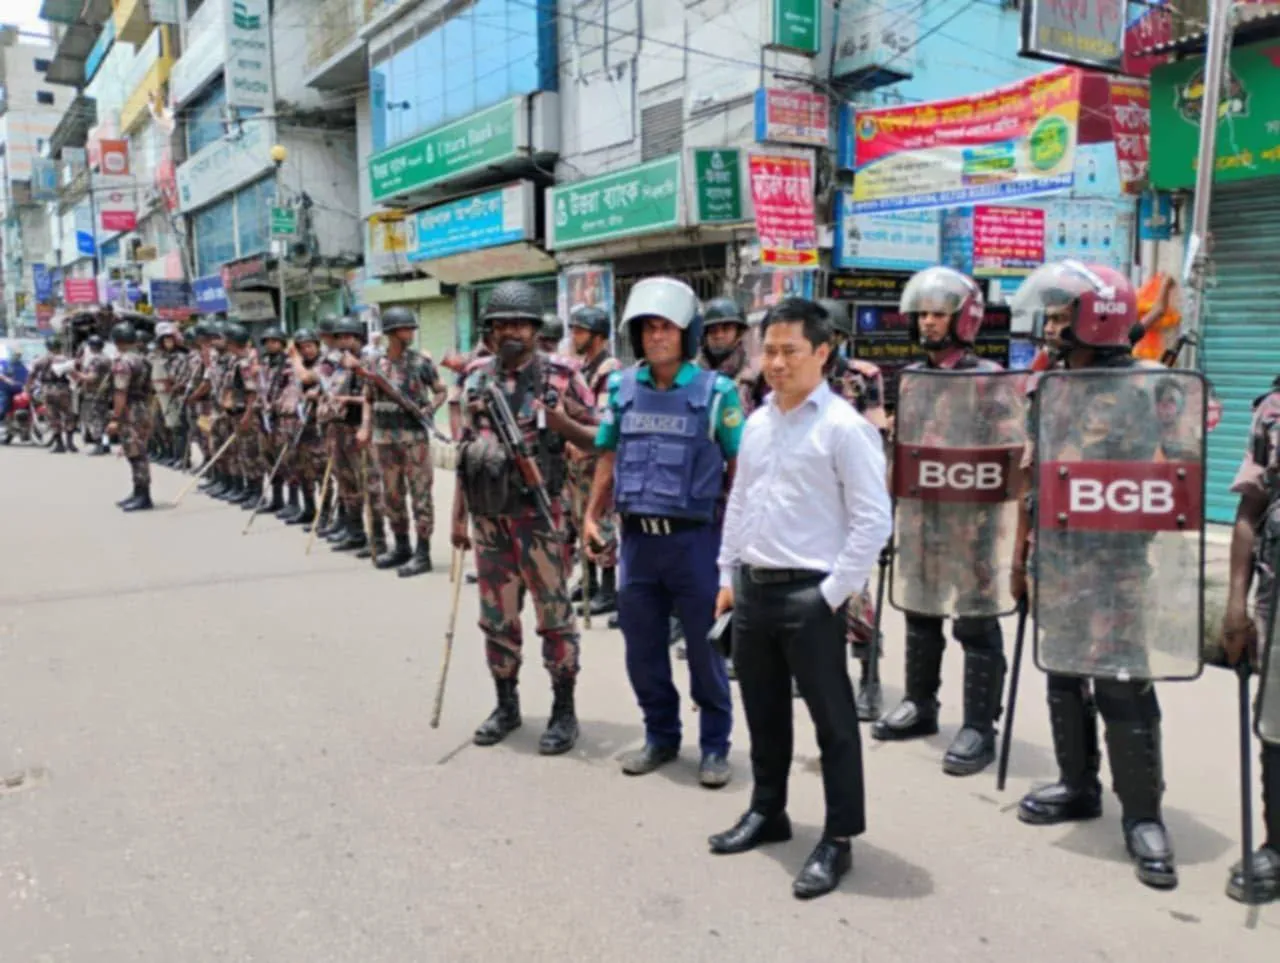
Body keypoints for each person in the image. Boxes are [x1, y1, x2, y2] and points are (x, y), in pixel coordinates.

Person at [709, 297, 892, 900]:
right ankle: (769, 812)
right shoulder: (759, 421)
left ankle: (838, 838)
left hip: (811, 596)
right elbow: (740, 501)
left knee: (833, 723)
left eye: (790, 350)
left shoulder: (845, 428)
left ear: (822, 351)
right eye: (770, 350)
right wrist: (727, 576)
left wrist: (832, 594)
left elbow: (873, 522)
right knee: (762, 713)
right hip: (755, 592)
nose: (776, 363)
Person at [1010, 260, 1181, 890]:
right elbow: (1031, 480)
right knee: (1062, 671)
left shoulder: (1155, 384)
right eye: (1051, 316)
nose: (1050, 328)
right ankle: (1077, 785)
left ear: (1096, 319)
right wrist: (1018, 557)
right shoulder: (1043, 387)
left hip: (1119, 565)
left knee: (1122, 681)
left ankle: (1143, 816)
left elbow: (1186, 458)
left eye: (1060, 316)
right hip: (1057, 558)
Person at [584, 278, 744, 786]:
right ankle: (661, 737)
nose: (656, 337)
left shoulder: (716, 393)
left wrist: (736, 546)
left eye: (666, 328)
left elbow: (741, 468)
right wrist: (591, 514)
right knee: (642, 651)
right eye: (647, 328)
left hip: (696, 543)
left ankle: (715, 746)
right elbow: (608, 455)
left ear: (686, 333)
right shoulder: (621, 389)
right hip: (638, 543)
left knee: (705, 651)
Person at [871, 267, 1018, 777]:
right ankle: (920, 703)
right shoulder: (912, 377)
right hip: (922, 518)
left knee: (976, 623)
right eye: (924, 314)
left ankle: (980, 725)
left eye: (938, 314)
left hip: (972, 523)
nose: (929, 323)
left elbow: (1009, 454)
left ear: (964, 319)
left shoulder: (990, 379)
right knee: (919, 610)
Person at [452, 280, 597, 755]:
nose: (511, 332)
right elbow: (466, 453)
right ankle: (506, 704)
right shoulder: (474, 376)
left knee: (554, 617)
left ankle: (563, 708)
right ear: (489, 331)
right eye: (502, 324)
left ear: (536, 329)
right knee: (497, 618)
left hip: (541, 516)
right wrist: (458, 517)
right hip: (489, 518)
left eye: (521, 324)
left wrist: (562, 425)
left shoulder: (562, 374)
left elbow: (599, 436)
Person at [1218, 381, 1280, 905]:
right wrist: (1236, 603)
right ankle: (1277, 845)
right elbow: (1249, 511)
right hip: (1277, 599)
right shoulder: (1273, 410)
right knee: (1276, 726)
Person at [818, 297, 889, 720]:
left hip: (852, 494)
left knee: (856, 592)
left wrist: (877, 505)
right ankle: (820, 674)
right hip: (811, 497)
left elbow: (877, 436)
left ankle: (870, 678)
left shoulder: (862, 377)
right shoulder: (797, 374)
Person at [357, 306, 445, 576]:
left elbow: (441, 390)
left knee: (421, 497)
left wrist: (430, 409)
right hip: (384, 440)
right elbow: (368, 400)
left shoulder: (421, 363)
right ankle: (402, 546)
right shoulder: (375, 365)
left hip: (414, 439)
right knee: (392, 495)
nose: (410, 333)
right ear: (391, 333)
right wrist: (365, 428)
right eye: (405, 329)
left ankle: (423, 552)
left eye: (411, 328)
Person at [566, 305, 622, 618]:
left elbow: (603, 419)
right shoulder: (584, 366)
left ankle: (608, 587)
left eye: (580, 331)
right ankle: (587, 580)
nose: (575, 336)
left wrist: (585, 445)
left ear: (598, 336)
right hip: (579, 459)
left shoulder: (609, 369)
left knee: (601, 521)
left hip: (598, 458)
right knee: (579, 518)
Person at [106, 323, 155, 511]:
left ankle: (143, 495)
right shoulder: (143, 360)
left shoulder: (123, 362)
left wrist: (115, 418)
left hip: (130, 409)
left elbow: (120, 392)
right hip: (142, 407)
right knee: (136, 451)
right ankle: (138, 492)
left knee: (136, 454)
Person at [0, 347, 30, 424]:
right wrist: (6, 379)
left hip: (20, 390)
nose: (17, 356)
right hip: (7, 390)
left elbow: (29, 375)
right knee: (5, 406)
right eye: (16, 354)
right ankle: (3, 422)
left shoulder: (22, 365)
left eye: (19, 355)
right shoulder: (4, 363)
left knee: (29, 403)